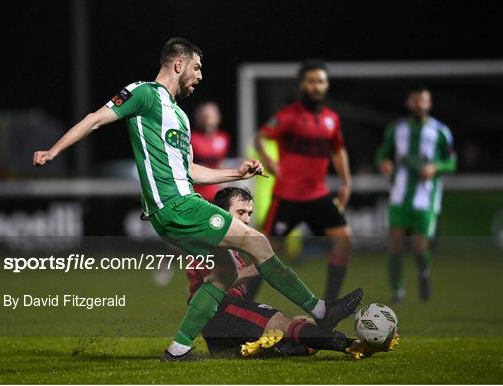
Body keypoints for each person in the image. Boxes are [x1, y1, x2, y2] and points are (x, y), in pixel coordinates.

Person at [33, 38, 363, 361]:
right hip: (175, 205)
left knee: (226, 271)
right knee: (257, 241)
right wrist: (53, 150)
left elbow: (190, 170)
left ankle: (178, 350)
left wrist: (237, 173)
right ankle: (322, 310)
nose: (200, 75)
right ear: (178, 64)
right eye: (197, 67)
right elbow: (94, 119)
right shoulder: (145, 94)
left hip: (177, 205)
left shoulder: (178, 116)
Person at [190, 186, 358, 358]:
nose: (247, 219)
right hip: (220, 313)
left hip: (228, 321)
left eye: (249, 214)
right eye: (240, 212)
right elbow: (206, 288)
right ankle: (353, 345)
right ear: (221, 212)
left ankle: (258, 349)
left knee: (299, 328)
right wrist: (254, 269)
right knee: (284, 324)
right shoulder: (206, 244)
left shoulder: (231, 247)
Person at [253, 59, 353, 302]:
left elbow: (338, 150)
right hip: (288, 196)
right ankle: (244, 305)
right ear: (301, 85)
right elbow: (260, 137)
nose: (316, 87)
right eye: (311, 82)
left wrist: (346, 183)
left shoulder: (331, 119)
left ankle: (329, 304)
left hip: (318, 194)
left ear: (326, 85)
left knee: (344, 241)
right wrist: (268, 160)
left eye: (320, 81)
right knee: (263, 251)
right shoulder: (288, 116)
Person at [375, 86, 456, 303]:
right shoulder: (396, 129)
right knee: (395, 244)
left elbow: (451, 162)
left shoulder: (440, 131)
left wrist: (435, 168)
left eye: (424, 101)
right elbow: (383, 153)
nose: (419, 104)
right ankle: (397, 290)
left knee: (420, 247)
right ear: (409, 103)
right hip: (399, 195)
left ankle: (424, 272)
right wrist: (384, 162)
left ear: (429, 104)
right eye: (415, 100)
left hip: (425, 198)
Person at [191, 102, 231, 201]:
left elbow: (222, 163)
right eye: (205, 116)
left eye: (211, 116)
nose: (208, 120)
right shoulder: (192, 139)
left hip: (216, 192)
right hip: (196, 192)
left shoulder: (224, 138)